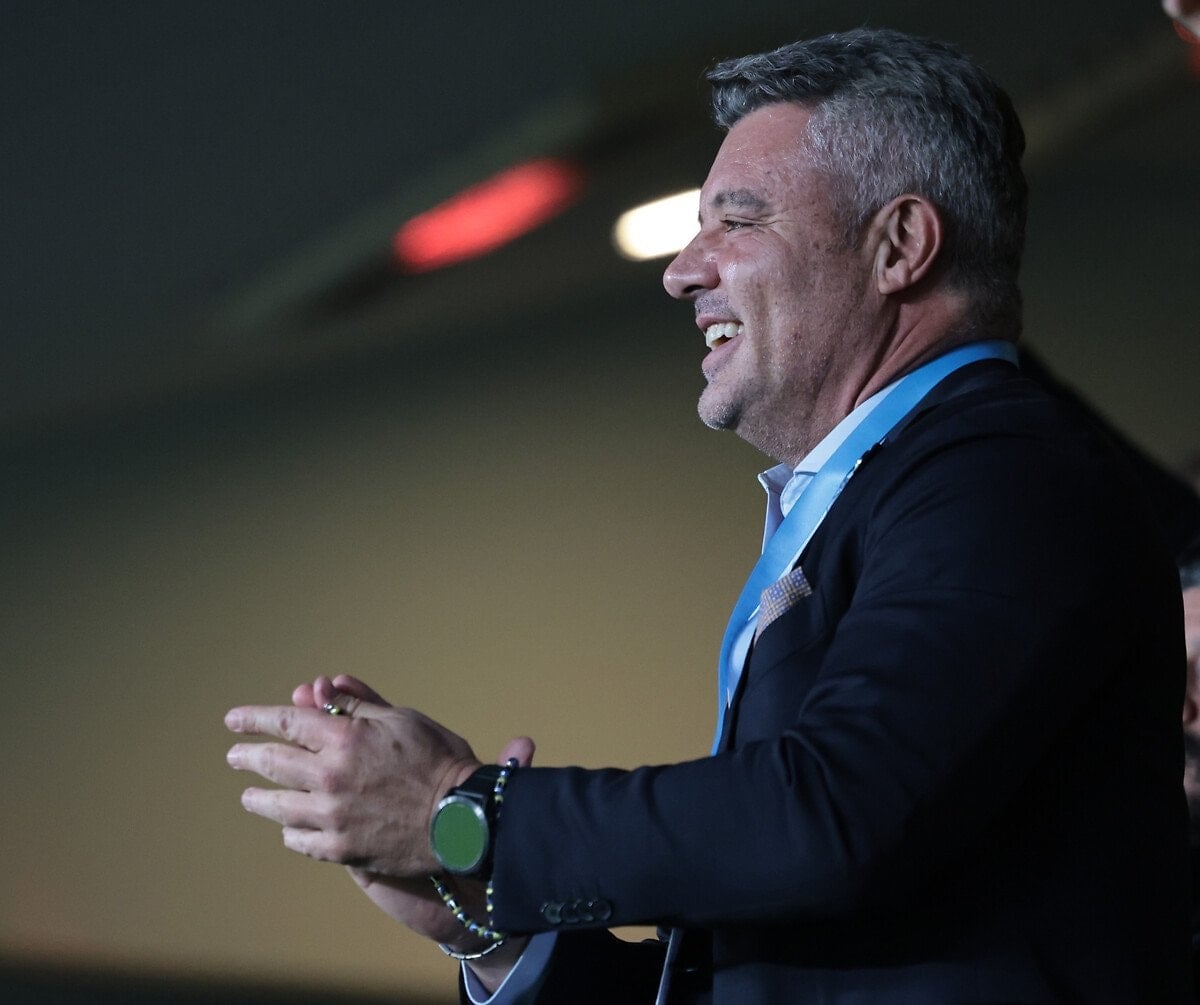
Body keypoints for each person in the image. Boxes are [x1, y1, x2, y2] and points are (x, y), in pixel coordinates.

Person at [225, 28, 1193, 1003]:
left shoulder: (1006, 471)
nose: (682, 271)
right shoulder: (893, 490)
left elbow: (833, 816)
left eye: (736, 220)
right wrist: (485, 918)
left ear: (899, 246)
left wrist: (463, 812)